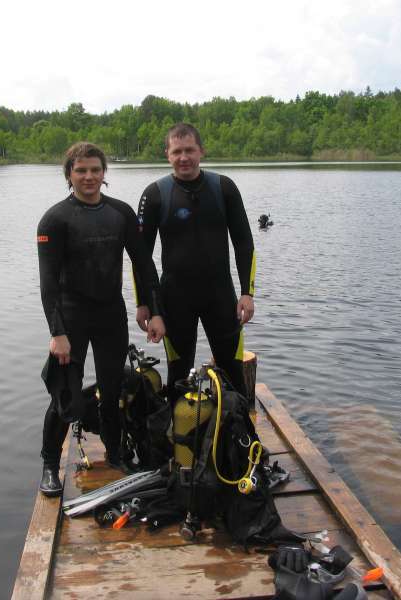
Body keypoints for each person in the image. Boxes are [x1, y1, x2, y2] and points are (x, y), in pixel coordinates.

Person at [37, 142, 165, 496]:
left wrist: (154, 311)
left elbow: (144, 265)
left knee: (112, 391)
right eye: (81, 170)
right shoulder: (55, 219)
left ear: (103, 173)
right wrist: (57, 332)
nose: (89, 176)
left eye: (95, 170)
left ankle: (116, 451)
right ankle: (49, 463)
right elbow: (48, 283)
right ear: (69, 175)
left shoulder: (120, 213)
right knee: (66, 396)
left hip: (111, 314)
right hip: (72, 318)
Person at [134, 123, 255, 401]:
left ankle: (237, 439)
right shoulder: (154, 194)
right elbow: (141, 256)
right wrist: (145, 304)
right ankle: (181, 440)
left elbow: (244, 244)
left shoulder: (224, 188)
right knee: (178, 376)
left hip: (221, 298)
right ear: (167, 154)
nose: (183, 157)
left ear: (201, 151)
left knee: (233, 374)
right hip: (175, 300)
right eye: (177, 151)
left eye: (189, 150)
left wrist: (248, 294)